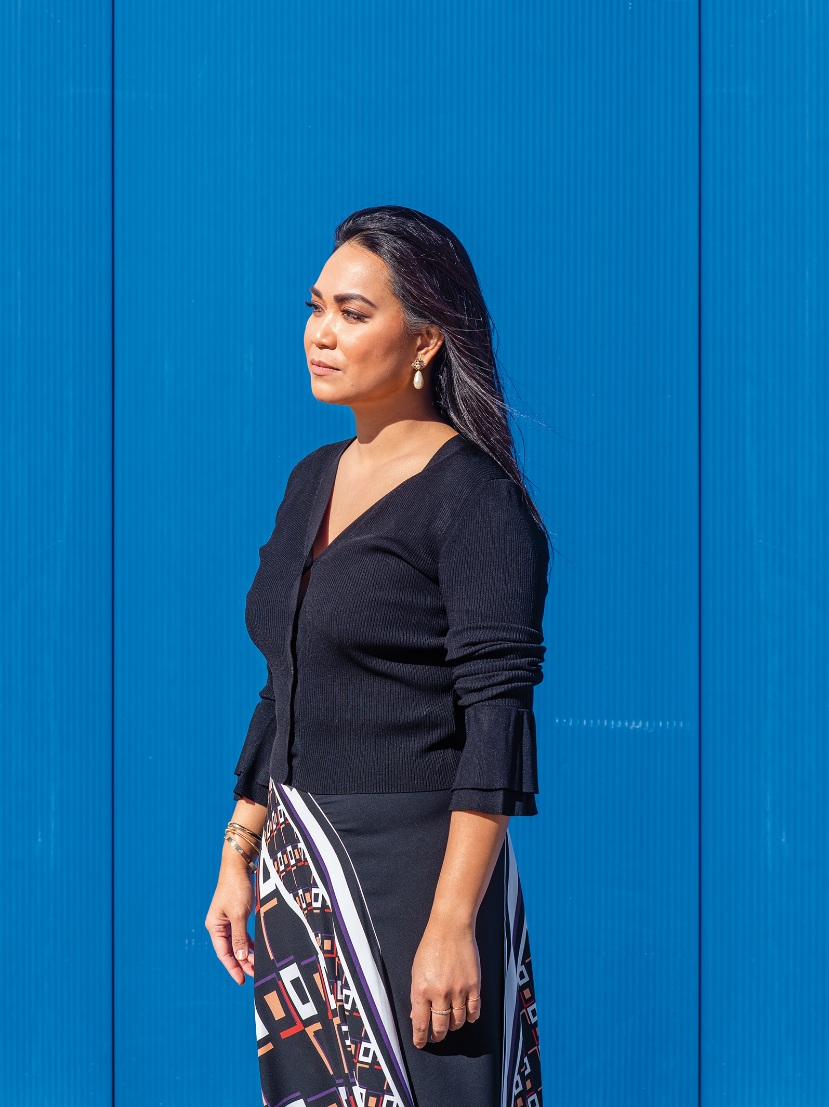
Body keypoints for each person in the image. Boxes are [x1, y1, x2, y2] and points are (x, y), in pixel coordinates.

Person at [205, 205, 553, 1107]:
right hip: (299, 868)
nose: (320, 333)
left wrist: (453, 923)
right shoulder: (310, 480)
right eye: (316, 306)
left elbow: (496, 717)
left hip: (419, 874)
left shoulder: (473, 500)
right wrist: (241, 848)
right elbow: (285, 683)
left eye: (353, 313)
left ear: (425, 341)